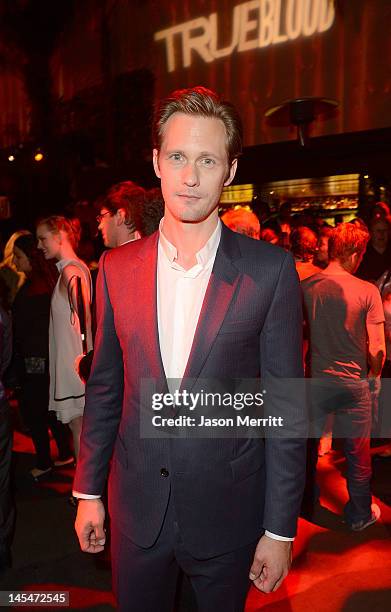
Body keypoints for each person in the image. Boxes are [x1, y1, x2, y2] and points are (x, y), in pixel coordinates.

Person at [74, 86, 306, 611]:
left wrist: (279, 529)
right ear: (156, 161)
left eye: (207, 160)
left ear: (230, 170)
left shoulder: (270, 272)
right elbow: (107, 388)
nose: (191, 176)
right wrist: (88, 492)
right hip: (136, 511)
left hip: (230, 515)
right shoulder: (117, 268)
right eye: (178, 157)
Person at [302, 223, 385, 530]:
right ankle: (360, 514)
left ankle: (306, 506)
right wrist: (375, 377)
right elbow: (377, 347)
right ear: (353, 253)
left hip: (317, 381)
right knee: (357, 454)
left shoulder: (308, 288)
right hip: (353, 385)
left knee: (308, 450)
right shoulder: (367, 290)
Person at [12, 234, 73, 479]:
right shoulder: (45, 283)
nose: (14, 262)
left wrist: (24, 368)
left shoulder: (35, 290)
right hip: (45, 360)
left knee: (36, 411)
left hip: (35, 361)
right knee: (49, 410)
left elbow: (34, 334)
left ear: (31, 258)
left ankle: (45, 460)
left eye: (18, 256)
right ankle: (64, 452)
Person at [36, 216, 92, 461]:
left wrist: (85, 363)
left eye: (43, 238)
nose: (39, 246)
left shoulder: (72, 272)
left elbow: (86, 323)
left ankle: (85, 494)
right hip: (73, 366)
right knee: (78, 429)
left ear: (59, 235)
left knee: (79, 429)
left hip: (76, 368)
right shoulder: (69, 272)